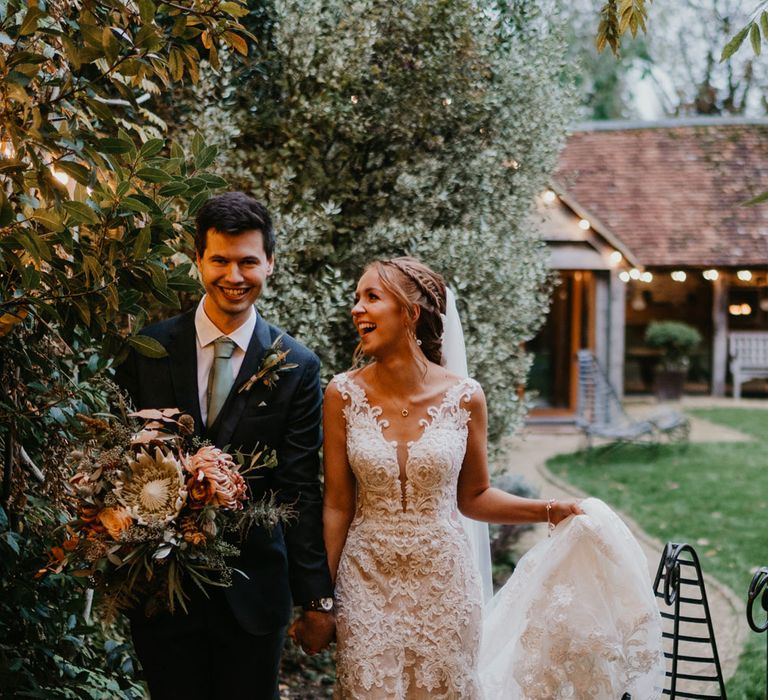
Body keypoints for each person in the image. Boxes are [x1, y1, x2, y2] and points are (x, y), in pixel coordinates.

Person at [323, 257, 665, 699]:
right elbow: (336, 504)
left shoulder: (464, 397)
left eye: (371, 297)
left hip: (443, 584)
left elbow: (475, 497)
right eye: (356, 297)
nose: (356, 309)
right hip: (365, 581)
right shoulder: (341, 394)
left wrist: (550, 509)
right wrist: (321, 601)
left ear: (410, 313)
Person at [116, 192, 335, 699]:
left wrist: (316, 600)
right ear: (198, 260)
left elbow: (298, 488)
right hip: (160, 593)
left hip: (253, 595)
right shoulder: (147, 349)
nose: (233, 276)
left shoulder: (297, 366)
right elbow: (120, 460)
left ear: (270, 264)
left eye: (248, 261)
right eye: (220, 260)